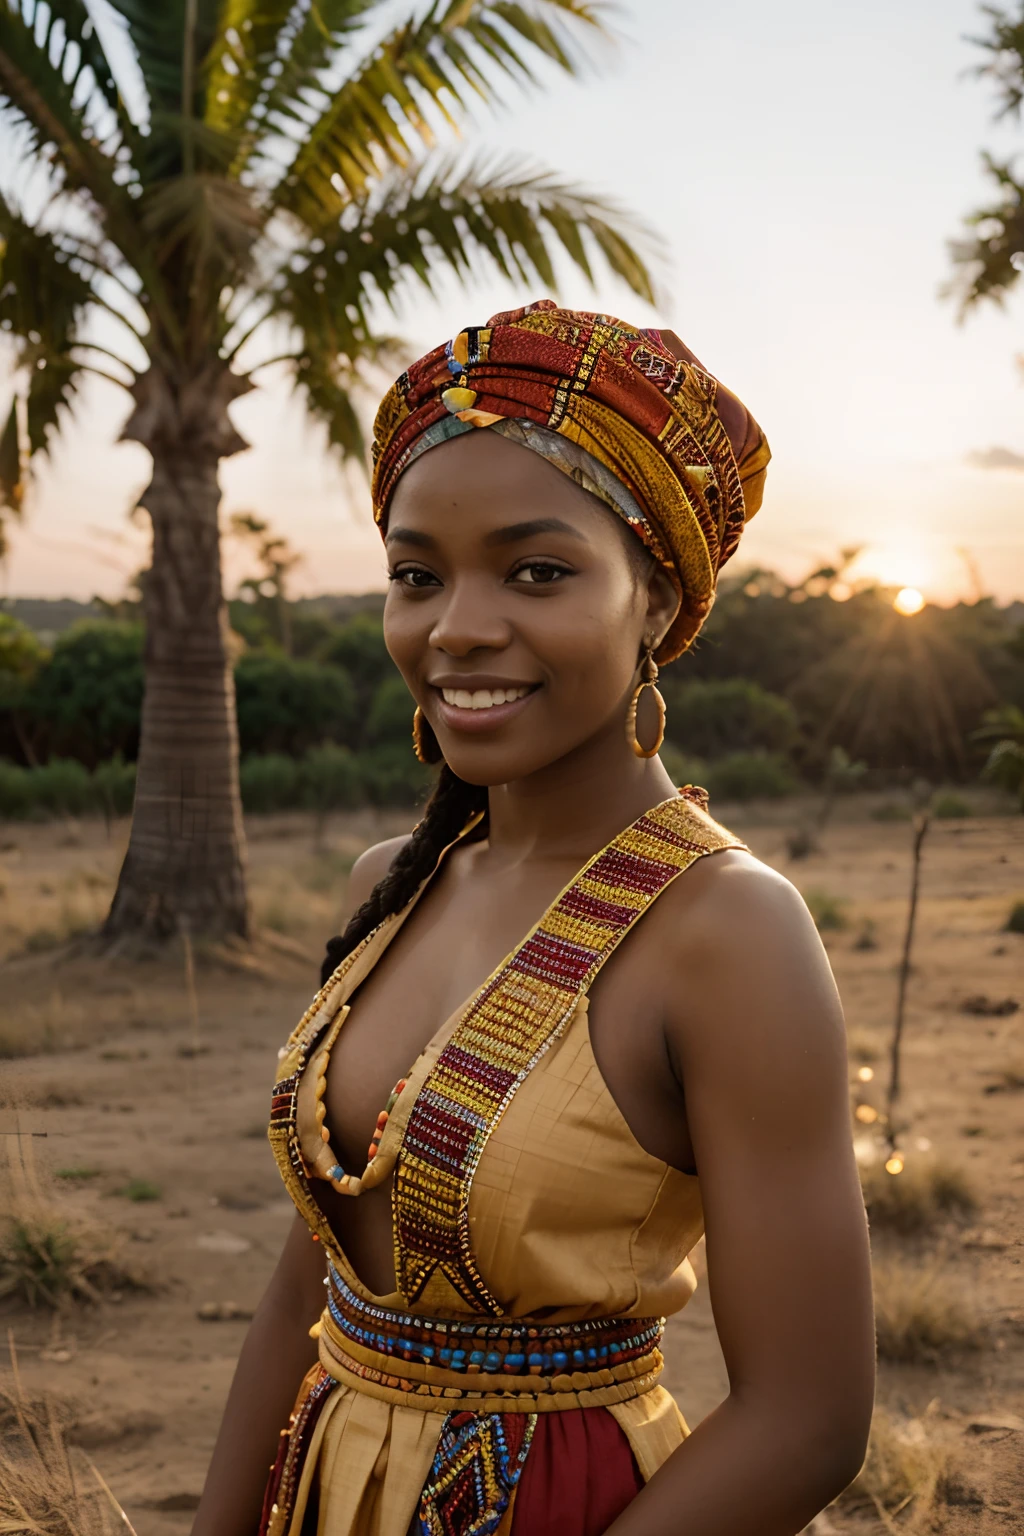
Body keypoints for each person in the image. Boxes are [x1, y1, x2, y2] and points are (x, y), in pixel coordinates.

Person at [192, 302, 874, 1536]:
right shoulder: (388, 884)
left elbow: (808, 1417)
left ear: (657, 600)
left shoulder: (727, 934)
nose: (456, 625)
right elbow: (321, 1263)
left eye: (537, 569)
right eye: (416, 575)